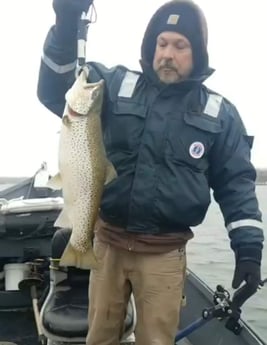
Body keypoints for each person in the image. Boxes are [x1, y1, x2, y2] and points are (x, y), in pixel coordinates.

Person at [37, 0, 264, 344]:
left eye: (179, 45)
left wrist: (248, 251)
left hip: (164, 255)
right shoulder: (111, 86)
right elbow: (55, 89)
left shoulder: (220, 114)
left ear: (198, 53)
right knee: (98, 337)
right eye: (162, 43)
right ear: (151, 47)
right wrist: (66, 25)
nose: (168, 54)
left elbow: (237, 186)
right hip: (108, 246)